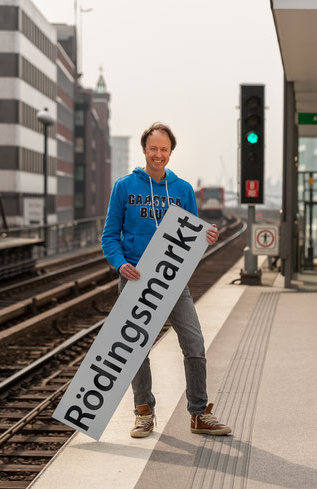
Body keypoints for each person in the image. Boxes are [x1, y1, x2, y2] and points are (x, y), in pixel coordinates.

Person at [101, 122, 231, 438]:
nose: (158, 155)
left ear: (171, 152)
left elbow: (194, 235)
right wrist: (121, 265)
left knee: (195, 344)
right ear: (144, 150)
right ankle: (143, 413)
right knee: (135, 351)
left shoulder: (183, 190)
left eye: (164, 149)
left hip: (172, 283)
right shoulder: (124, 187)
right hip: (134, 281)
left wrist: (208, 237)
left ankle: (199, 413)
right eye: (153, 148)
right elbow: (109, 237)